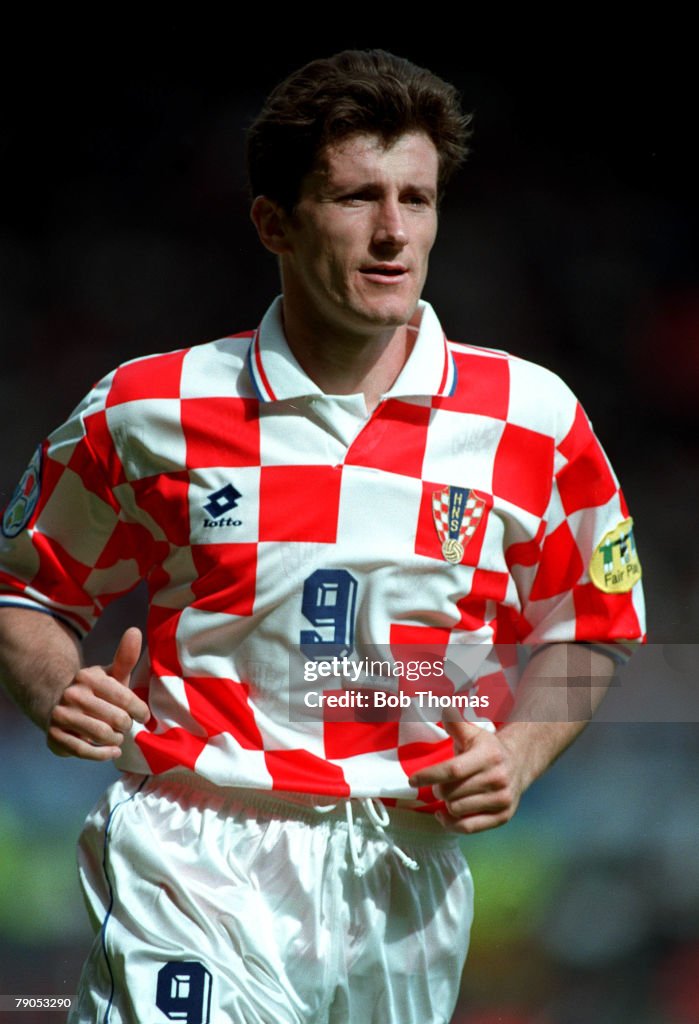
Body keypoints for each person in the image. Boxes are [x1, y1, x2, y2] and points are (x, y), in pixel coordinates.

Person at [0, 50, 645, 1024]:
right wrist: (57, 685)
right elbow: (25, 589)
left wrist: (516, 755)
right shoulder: (151, 407)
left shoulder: (531, 419)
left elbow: (589, 621)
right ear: (274, 222)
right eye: (354, 197)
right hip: (195, 851)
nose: (393, 232)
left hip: (401, 871)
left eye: (415, 199)